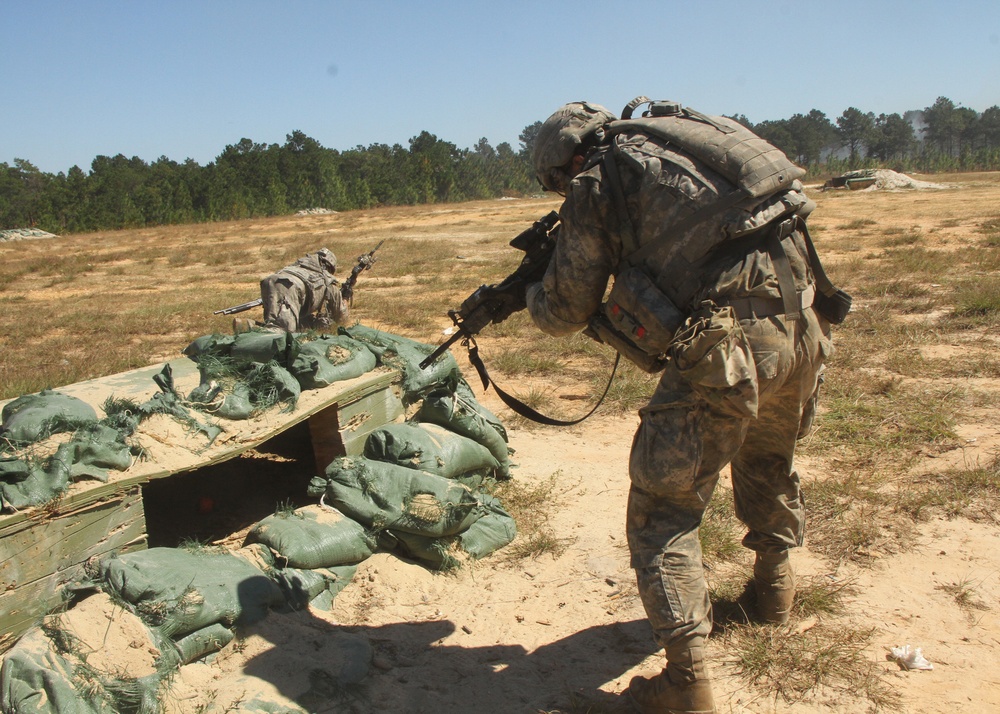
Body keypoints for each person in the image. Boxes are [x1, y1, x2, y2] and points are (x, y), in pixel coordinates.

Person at [524, 99, 836, 714]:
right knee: (766, 456)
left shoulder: (601, 176)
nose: (564, 192)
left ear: (567, 162)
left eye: (558, 183)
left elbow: (563, 310)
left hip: (735, 348)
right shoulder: (684, 144)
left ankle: (685, 684)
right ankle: (773, 593)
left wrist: (533, 292)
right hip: (804, 325)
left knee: (662, 507)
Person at [258, 248, 349, 332]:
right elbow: (341, 316)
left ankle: (248, 327)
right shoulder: (327, 280)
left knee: (270, 324)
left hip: (269, 281)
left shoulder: (297, 267)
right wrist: (345, 298)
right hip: (289, 285)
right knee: (282, 331)